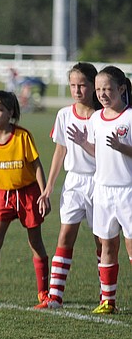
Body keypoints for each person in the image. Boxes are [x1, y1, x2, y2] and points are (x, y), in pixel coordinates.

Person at [0, 90, 50, 306]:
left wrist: (44, 193)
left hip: (27, 193)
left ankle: (43, 292)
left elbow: (36, 165)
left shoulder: (22, 136)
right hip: (2, 194)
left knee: (35, 241)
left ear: (11, 112)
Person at [35, 63, 101, 309]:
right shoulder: (64, 114)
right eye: (73, 85)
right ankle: (55, 297)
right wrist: (49, 187)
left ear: (94, 85)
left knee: (102, 241)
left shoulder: (103, 116)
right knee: (65, 235)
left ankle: (107, 297)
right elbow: (60, 150)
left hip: (100, 182)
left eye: (82, 84)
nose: (77, 89)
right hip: (73, 182)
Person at [67, 66, 132, 314]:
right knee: (107, 245)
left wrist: (121, 147)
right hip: (103, 191)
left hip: (127, 190)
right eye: (98, 90)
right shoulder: (96, 118)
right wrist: (84, 143)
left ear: (121, 89)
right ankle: (108, 301)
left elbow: (122, 150)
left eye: (107, 89)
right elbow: (100, 151)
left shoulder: (129, 118)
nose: (102, 94)